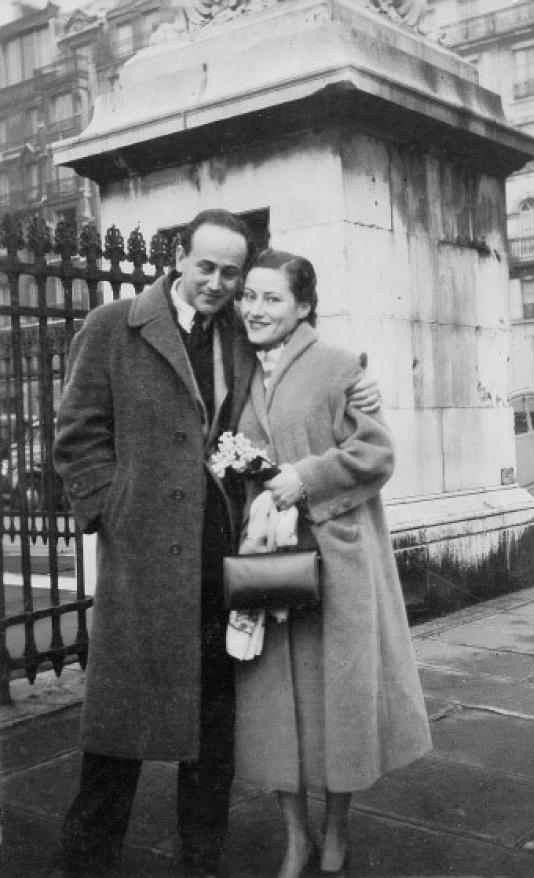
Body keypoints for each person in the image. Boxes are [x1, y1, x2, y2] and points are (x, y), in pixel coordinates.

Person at [52, 210, 380, 878]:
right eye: (207, 266)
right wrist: (111, 510)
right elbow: (77, 434)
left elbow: (300, 352)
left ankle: (201, 862)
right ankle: (84, 863)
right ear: (177, 256)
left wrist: (360, 380)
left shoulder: (237, 329)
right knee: (116, 734)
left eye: (232, 272)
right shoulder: (114, 326)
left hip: (221, 554)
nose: (218, 283)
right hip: (142, 557)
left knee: (213, 733)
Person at [232, 249, 432, 878]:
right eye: (249, 297)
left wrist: (305, 478)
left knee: (338, 705)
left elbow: (376, 454)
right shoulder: (237, 369)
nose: (255, 309)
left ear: (304, 306)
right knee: (273, 706)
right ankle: (295, 835)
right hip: (269, 564)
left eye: (271, 298)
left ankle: (337, 823)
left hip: (336, 562)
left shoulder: (341, 366)